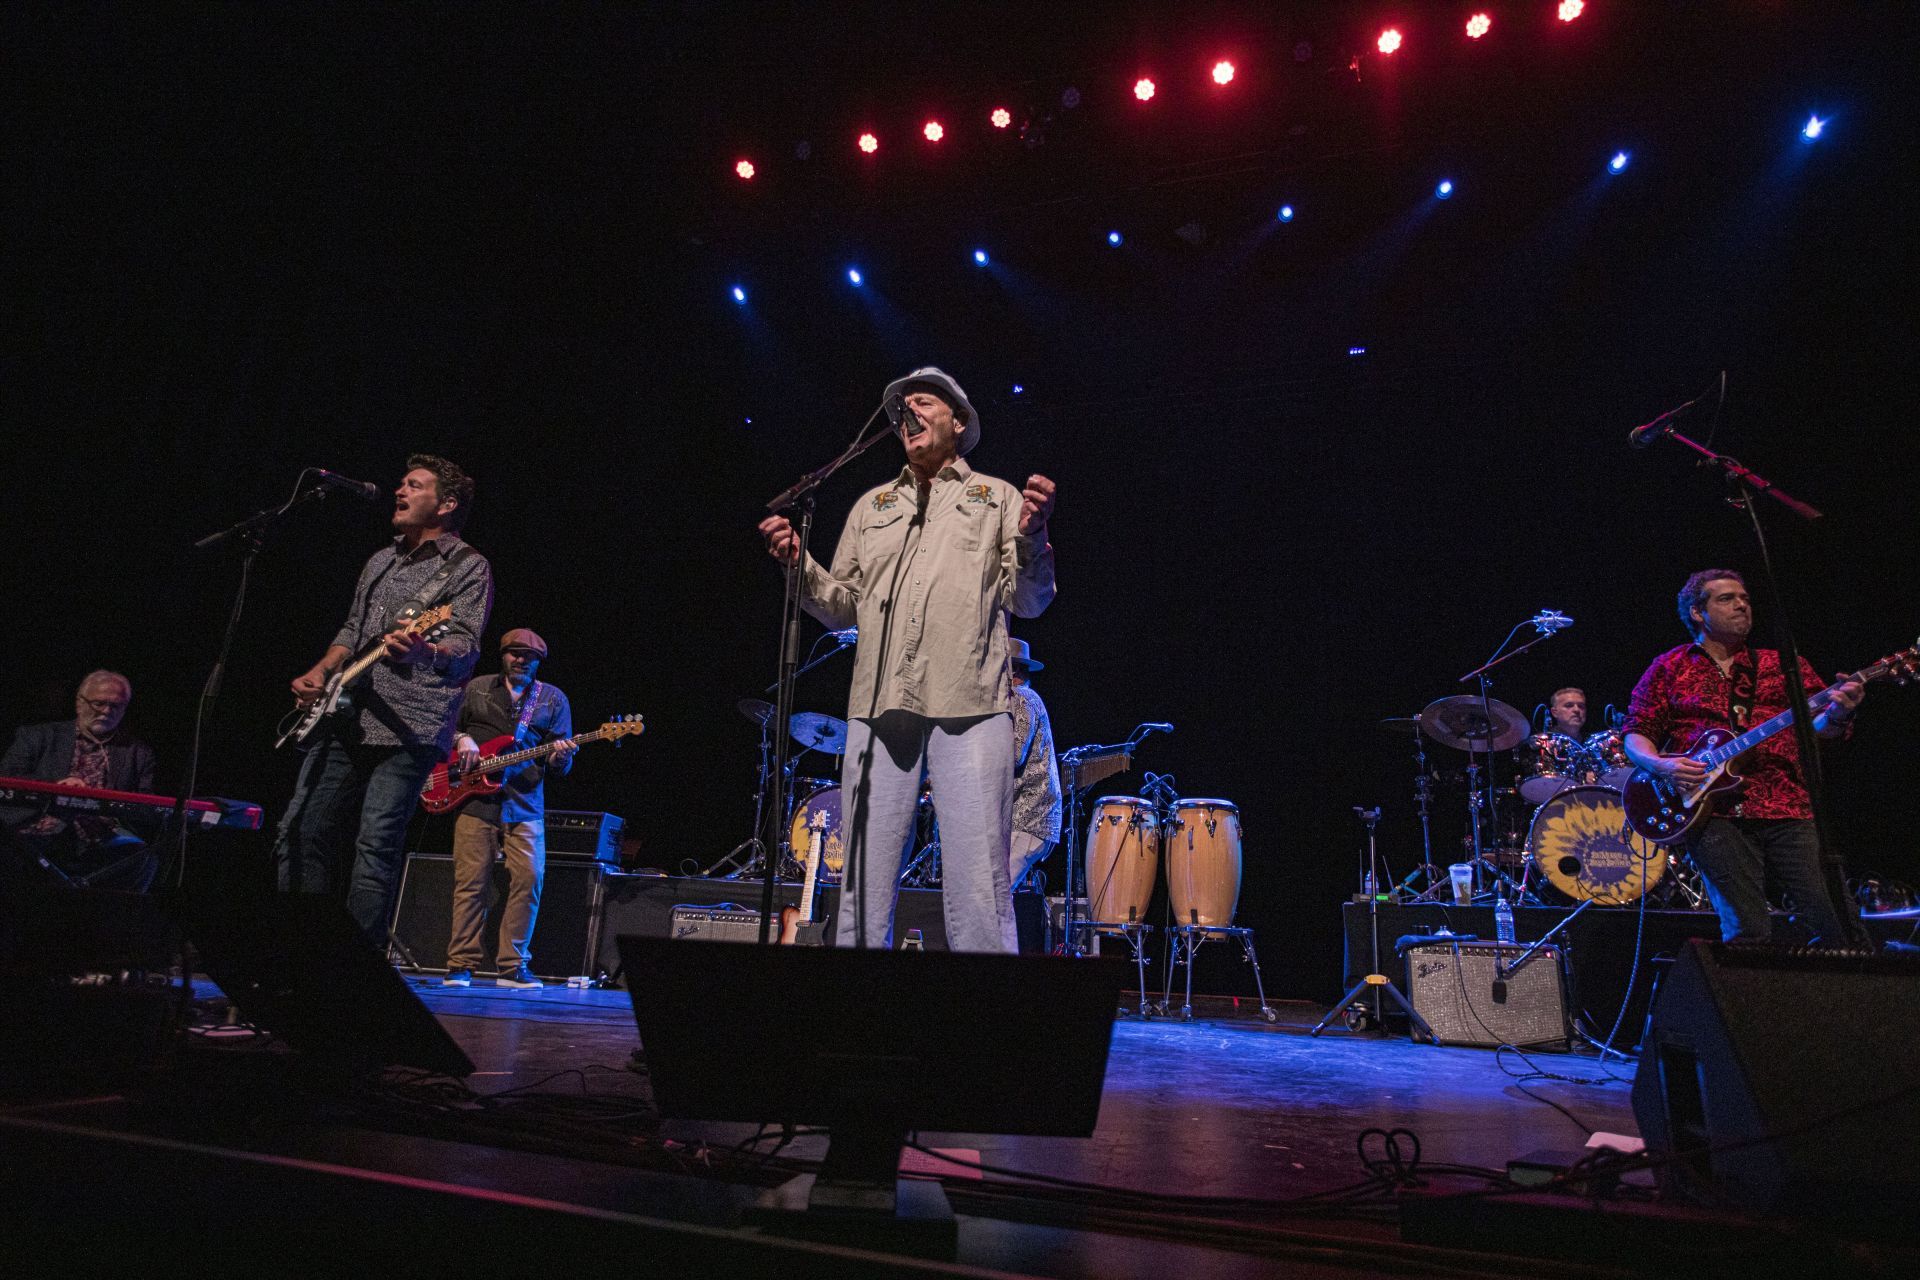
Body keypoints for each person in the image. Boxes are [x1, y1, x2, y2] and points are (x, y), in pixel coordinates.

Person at [758, 366, 1056, 952]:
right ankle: (855, 1015)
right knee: (861, 879)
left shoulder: (997, 497)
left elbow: (1029, 599)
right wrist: (800, 567)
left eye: (924, 400)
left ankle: (987, 1022)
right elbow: (843, 606)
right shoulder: (874, 506)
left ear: (958, 421)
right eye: (902, 406)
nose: (909, 410)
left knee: (978, 881)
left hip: (970, 704)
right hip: (879, 703)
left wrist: (1033, 537)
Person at [272, 455, 493, 949]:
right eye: (401, 483)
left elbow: (465, 648)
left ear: (446, 504)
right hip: (348, 713)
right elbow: (354, 630)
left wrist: (424, 649)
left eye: (414, 486)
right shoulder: (381, 560)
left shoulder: (467, 566)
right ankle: (300, 947)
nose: (400, 491)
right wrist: (321, 670)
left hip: (411, 724)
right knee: (302, 828)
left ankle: (354, 965)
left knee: (375, 844)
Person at [1621, 569, 1864, 943]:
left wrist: (1839, 713)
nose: (1742, 605)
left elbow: (1822, 732)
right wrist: (1662, 765)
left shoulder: (1782, 665)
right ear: (1697, 613)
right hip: (1710, 812)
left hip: (1785, 803)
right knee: (1747, 928)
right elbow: (1636, 732)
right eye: (1727, 599)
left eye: (1745, 598)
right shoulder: (1670, 667)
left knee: (1836, 920)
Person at [442, 628, 574, 988]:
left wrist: (561, 757)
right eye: (513, 653)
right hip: (473, 800)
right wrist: (461, 737)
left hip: (525, 803)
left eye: (527, 656)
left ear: (538, 662)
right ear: (502, 655)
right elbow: (444, 727)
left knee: (530, 878)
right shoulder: (477, 687)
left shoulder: (552, 699)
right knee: (470, 884)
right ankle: (460, 965)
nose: (520, 659)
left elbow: (559, 766)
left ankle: (512, 966)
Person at [1, 670, 160, 890]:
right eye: (99, 703)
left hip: (101, 835)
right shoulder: (39, 736)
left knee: (142, 858)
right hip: (39, 825)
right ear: (79, 703)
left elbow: (145, 805)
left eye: (116, 706)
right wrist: (56, 787)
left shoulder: (138, 753)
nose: (106, 712)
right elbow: (8, 778)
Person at [1007, 637, 1062, 891]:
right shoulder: (1025, 698)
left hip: (1029, 818)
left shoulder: (1021, 697)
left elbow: (1014, 753)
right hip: (1030, 818)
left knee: (994, 895)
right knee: (996, 897)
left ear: (1013, 670)